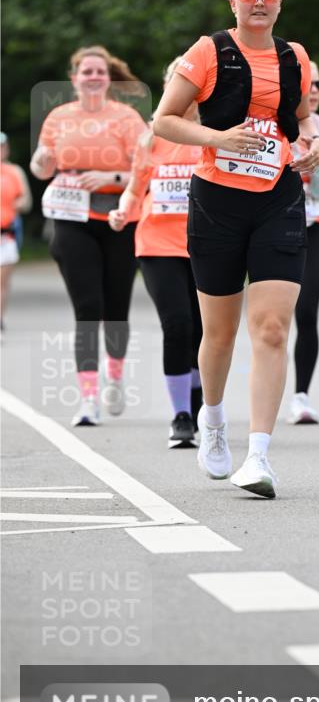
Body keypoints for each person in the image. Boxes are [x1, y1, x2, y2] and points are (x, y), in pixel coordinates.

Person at [152, 0, 319, 499]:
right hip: (217, 203)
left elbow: (302, 117)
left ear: (279, 2)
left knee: (272, 329)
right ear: (233, 2)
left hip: (277, 199)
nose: (259, 1)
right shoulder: (207, 51)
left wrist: (315, 142)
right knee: (220, 333)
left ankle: (259, 457)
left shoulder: (294, 56)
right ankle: (213, 421)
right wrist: (218, 138)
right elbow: (164, 120)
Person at [30, 45, 146, 426]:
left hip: (117, 217)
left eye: (100, 71)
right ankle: (88, 397)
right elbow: (40, 166)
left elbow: (147, 170)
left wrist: (112, 178)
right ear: (74, 78)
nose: (94, 77)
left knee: (116, 307)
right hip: (71, 215)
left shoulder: (127, 117)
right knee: (87, 308)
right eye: (86, 72)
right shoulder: (59, 117)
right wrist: (43, 162)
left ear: (108, 78)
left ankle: (114, 373)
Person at [109, 58, 203, 448]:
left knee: (203, 333)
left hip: (207, 246)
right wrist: (122, 211)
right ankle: (181, 415)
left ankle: (200, 408)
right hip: (156, 245)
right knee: (177, 325)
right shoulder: (151, 138)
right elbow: (136, 188)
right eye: (173, 84)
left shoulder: (215, 133)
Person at [287, 59, 319, 425]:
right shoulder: (279, 125)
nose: (315, 90)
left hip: (316, 226)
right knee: (272, 317)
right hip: (277, 226)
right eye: (309, 85)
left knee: (306, 312)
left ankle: (301, 396)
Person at [1, 134, 32, 333]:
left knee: (2, 281)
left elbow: (26, 202)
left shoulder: (14, 172)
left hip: (6, 235)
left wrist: (19, 203)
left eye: (2, 146)